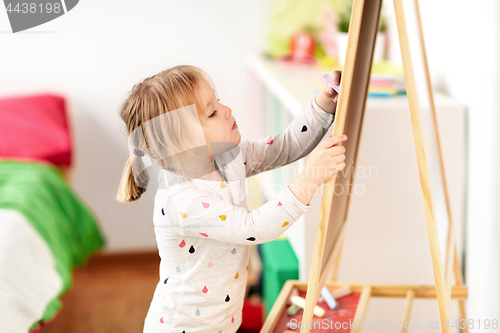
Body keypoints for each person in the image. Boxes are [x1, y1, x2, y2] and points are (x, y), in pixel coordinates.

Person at [116, 65, 347, 333]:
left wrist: (324, 103)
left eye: (218, 102)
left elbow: (284, 147)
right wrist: (310, 177)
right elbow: (254, 227)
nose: (226, 111)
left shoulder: (228, 156)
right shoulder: (181, 201)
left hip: (223, 322)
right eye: (212, 112)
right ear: (182, 144)